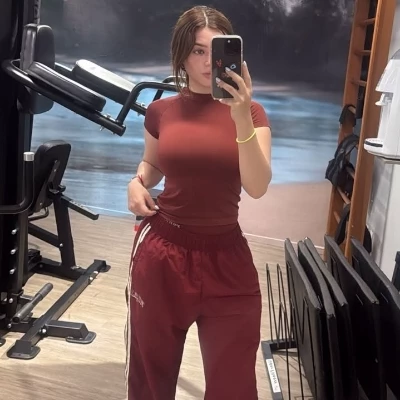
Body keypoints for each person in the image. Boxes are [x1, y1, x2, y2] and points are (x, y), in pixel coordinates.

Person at [125, 5, 272, 400]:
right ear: (182, 56)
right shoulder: (161, 111)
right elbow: (153, 164)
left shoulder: (253, 113)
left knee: (234, 385)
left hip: (228, 259)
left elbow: (257, 186)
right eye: (198, 51)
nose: (209, 62)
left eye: (217, 51)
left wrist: (240, 117)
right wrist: (136, 182)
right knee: (150, 377)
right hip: (163, 254)